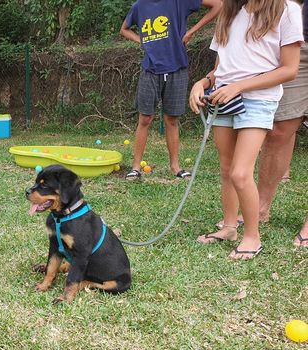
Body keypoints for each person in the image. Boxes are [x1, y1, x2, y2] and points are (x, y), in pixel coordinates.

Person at [189, 0, 303, 259]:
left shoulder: (286, 9)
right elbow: (220, 70)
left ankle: (252, 236)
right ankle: (229, 228)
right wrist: (202, 82)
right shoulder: (231, 12)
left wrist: (239, 86)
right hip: (223, 96)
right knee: (227, 169)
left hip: (258, 99)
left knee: (241, 173)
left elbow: (290, 69)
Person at [120, 0, 221, 180]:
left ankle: (175, 167)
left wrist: (191, 32)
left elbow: (218, 5)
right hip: (150, 69)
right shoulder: (139, 6)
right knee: (145, 118)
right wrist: (141, 40)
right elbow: (124, 29)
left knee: (172, 119)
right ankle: (136, 167)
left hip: (177, 68)